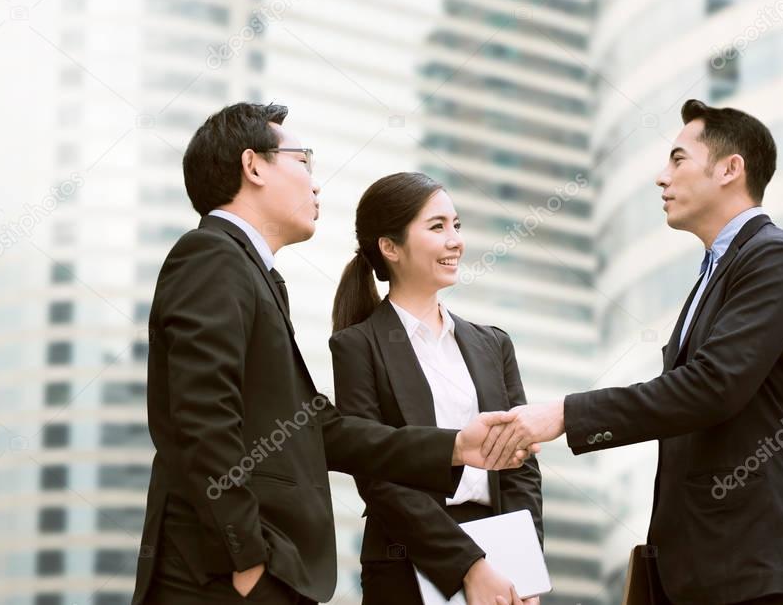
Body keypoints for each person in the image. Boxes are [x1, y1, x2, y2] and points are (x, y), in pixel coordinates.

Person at [131, 103, 534, 605]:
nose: (316, 184)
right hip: (217, 578)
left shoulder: (252, 274)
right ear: (253, 166)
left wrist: (454, 447)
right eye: (304, 162)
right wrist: (248, 562)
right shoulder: (213, 257)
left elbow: (320, 429)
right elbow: (202, 421)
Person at [489, 100, 783, 604]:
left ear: (729, 169)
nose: (661, 177)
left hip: (756, 575)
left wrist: (563, 415)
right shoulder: (717, 271)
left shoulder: (775, 257)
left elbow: (712, 386)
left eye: (678, 160)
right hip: (702, 576)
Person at [328, 172, 544, 605]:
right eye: (437, 226)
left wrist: (525, 567)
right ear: (390, 247)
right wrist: (468, 567)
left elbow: (521, 466)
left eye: (457, 225)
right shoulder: (358, 346)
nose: (455, 240)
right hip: (407, 563)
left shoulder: (492, 344)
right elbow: (377, 475)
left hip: (504, 559)